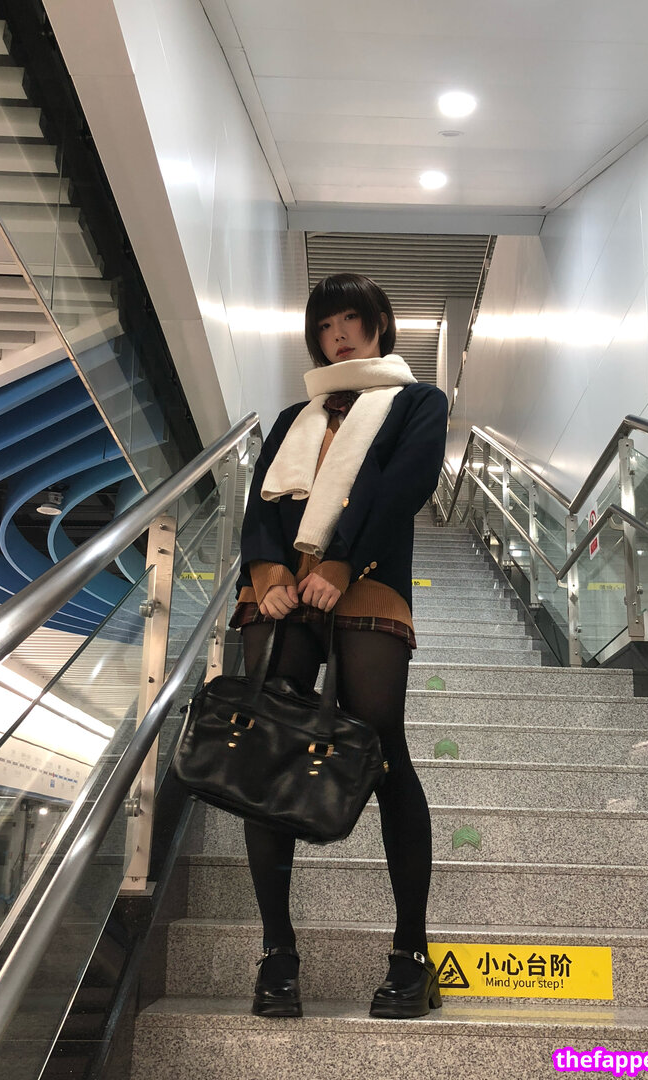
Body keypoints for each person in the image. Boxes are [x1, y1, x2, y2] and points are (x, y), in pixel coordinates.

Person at [229, 272, 448, 1020]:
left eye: (352, 319)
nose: (340, 335)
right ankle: (277, 952)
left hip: (367, 574)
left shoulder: (417, 402)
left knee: (383, 749)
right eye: (326, 326)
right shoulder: (297, 414)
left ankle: (411, 955)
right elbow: (262, 500)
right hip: (283, 590)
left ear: (380, 323)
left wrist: (341, 561)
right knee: (267, 752)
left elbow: (404, 487)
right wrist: (266, 572)